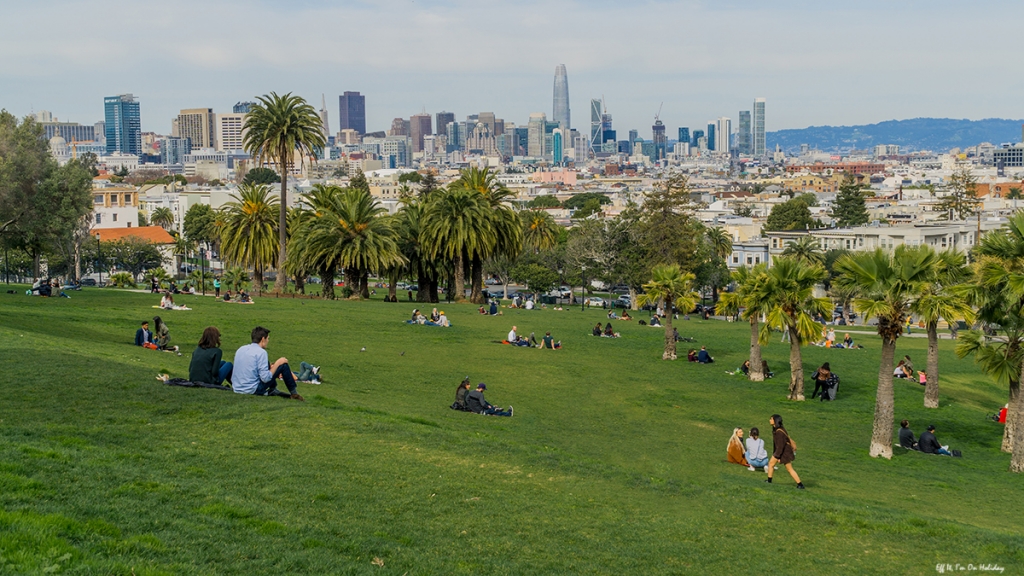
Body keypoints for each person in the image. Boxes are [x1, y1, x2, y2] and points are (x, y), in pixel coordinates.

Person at [231, 326, 304, 401]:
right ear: (263, 339)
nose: (268, 341)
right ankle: (294, 394)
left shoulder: (241, 349)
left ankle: (274, 389)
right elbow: (265, 378)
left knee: (267, 363)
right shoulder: (261, 352)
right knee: (283, 365)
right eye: (268, 338)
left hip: (237, 388)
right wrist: (277, 363)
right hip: (252, 390)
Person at [765, 414, 805, 489]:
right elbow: (776, 444)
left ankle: (800, 484)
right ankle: (769, 480)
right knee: (772, 464)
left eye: (771, 419)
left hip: (784, 453)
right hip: (781, 452)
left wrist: (778, 456)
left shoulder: (779, 432)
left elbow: (780, 446)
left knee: (788, 468)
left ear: (775, 421)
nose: (769, 420)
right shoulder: (776, 429)